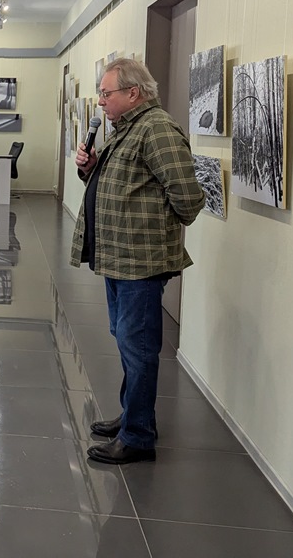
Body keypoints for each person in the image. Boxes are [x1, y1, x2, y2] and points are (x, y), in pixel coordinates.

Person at [72, 58, 204, 465]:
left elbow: (188, 197)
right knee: (127, 340)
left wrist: (154, 229)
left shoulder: (157, 128)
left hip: (139, 261)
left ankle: (138, 437)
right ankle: (134, 415)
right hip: (119, 257)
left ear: (133, 93)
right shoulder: (127, 129)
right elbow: (122, 184)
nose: (100, 101)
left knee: (139, 346)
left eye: (106, 93)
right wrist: (90, 170)